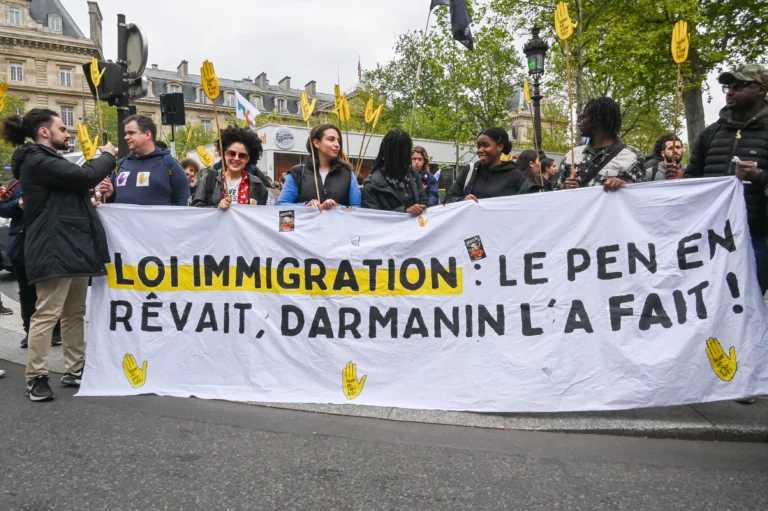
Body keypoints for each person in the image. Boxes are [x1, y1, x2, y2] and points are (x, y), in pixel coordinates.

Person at [1, 108, 116, 402]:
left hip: (73, 245)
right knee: (47, 313)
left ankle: (74, 368)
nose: (68, 134)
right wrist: (107, 155)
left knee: (74, 312)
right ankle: (36, 376)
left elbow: (75, 190)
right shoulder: (38, 160)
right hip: (54, 248)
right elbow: (85, 176)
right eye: (62, 129)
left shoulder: (49, 161)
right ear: (44, 132)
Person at [0, 180, 63, 348]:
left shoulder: (52, 178)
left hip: (48, 243)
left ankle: (54, 331)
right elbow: (3, 210)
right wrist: (11, 203)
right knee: (26, 292)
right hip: (21, 245)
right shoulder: (16, 183)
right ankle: (30, 332)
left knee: (50, 290)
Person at [557, 97, 646, 192]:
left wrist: (624, 186)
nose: (579, 123)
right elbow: (555, 194)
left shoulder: (631, 156)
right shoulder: (571, 156)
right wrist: (565, 188)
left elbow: (641, 195)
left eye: (582, 118)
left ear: (597, 120)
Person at [98, 115, 190, 206]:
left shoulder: (170, 164)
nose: (126, 137)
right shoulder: (120, 165)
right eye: (126, 133)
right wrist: (109, 195)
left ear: (147, 134)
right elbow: (111, 202)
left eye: (131, 133)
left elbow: (182, 204)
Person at [278, 123, 361, 209]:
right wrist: (306, 205)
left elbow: (357, 208)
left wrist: (336, 207)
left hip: (338, 222)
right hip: (307, 222)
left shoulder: (347, 173)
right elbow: (281, 205)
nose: (337, 145)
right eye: (331, 139)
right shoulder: (297, 172)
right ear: (316, 143)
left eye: (338, 140)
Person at [444, 128, 537, 203]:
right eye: (479, 146)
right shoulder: (469, 171)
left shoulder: (516, 176)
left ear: (500, 147)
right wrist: (463, 201)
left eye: (485, 145)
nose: (480, 150)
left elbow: (528, 206)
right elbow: (448, 199)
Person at [191, 126, 269, 208]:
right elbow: (196, 210)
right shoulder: (208, 180)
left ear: (247, 159)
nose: (236, 158)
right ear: (224, 154)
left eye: (242, 155)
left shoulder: (257, 185)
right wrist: (217, 207)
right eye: (232, 153)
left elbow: (260, 215)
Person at [362, 130, 427, 214]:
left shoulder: (412, 173)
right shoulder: (372, 185)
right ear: (390, 154)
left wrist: (422, 206)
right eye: (402, 153)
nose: (406, 156)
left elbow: (423, 199)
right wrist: (404, 212)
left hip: (415, 226)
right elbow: (373, 218)